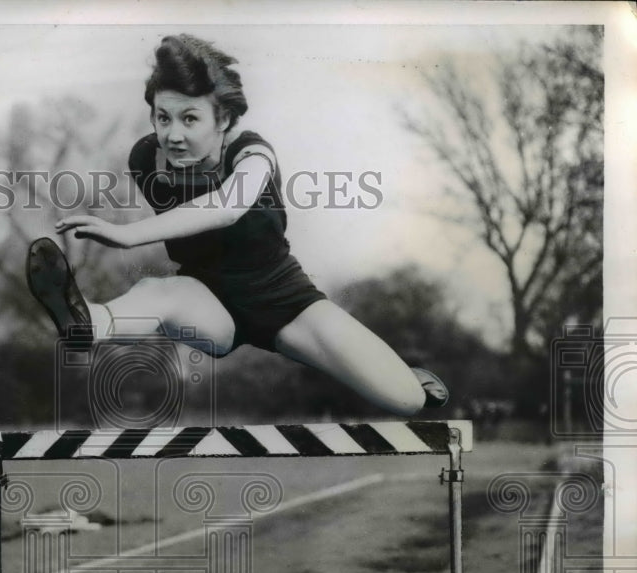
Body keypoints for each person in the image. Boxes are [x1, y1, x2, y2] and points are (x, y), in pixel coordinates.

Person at [27, 33, 448, 416]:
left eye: (190, 119)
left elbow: (227, 207)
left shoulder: (252, 154)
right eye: (162, 117)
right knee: (156, 291)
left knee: (407, 401)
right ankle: (87, 324)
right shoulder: (146, 159)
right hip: (208, 303)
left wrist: (126, 234)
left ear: (223, 120)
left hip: (285, 302)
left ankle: (411, 382)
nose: (173, 134)